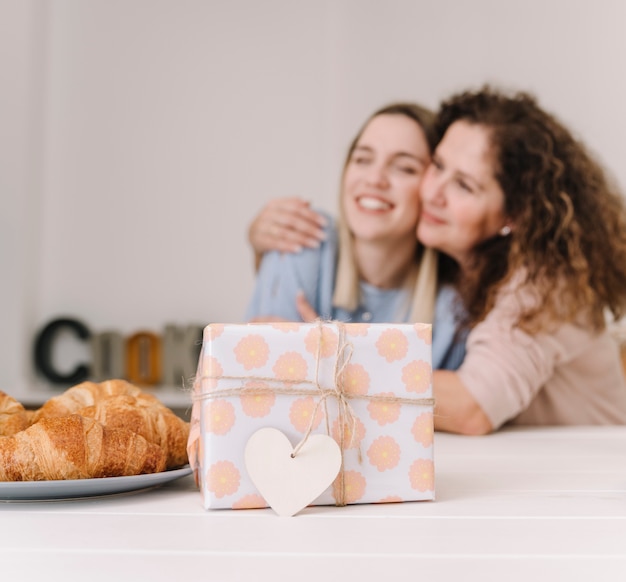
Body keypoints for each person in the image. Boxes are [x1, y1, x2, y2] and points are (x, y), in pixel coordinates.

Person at [249, 87, 626, 435]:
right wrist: (261, 248)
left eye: (464, 185)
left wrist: (327, 350)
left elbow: (472, 407)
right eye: (438, 166)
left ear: (514, 215)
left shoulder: (545, 281)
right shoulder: (459, 266)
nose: (433, 193)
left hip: (592, 475)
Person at [245, 103, 468, 370]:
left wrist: (327, 363)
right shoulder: (304, 237)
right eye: (363, 159)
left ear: (432, 188)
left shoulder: (453, 308)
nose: (375, 179)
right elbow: (262, 386)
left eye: (404, 168)